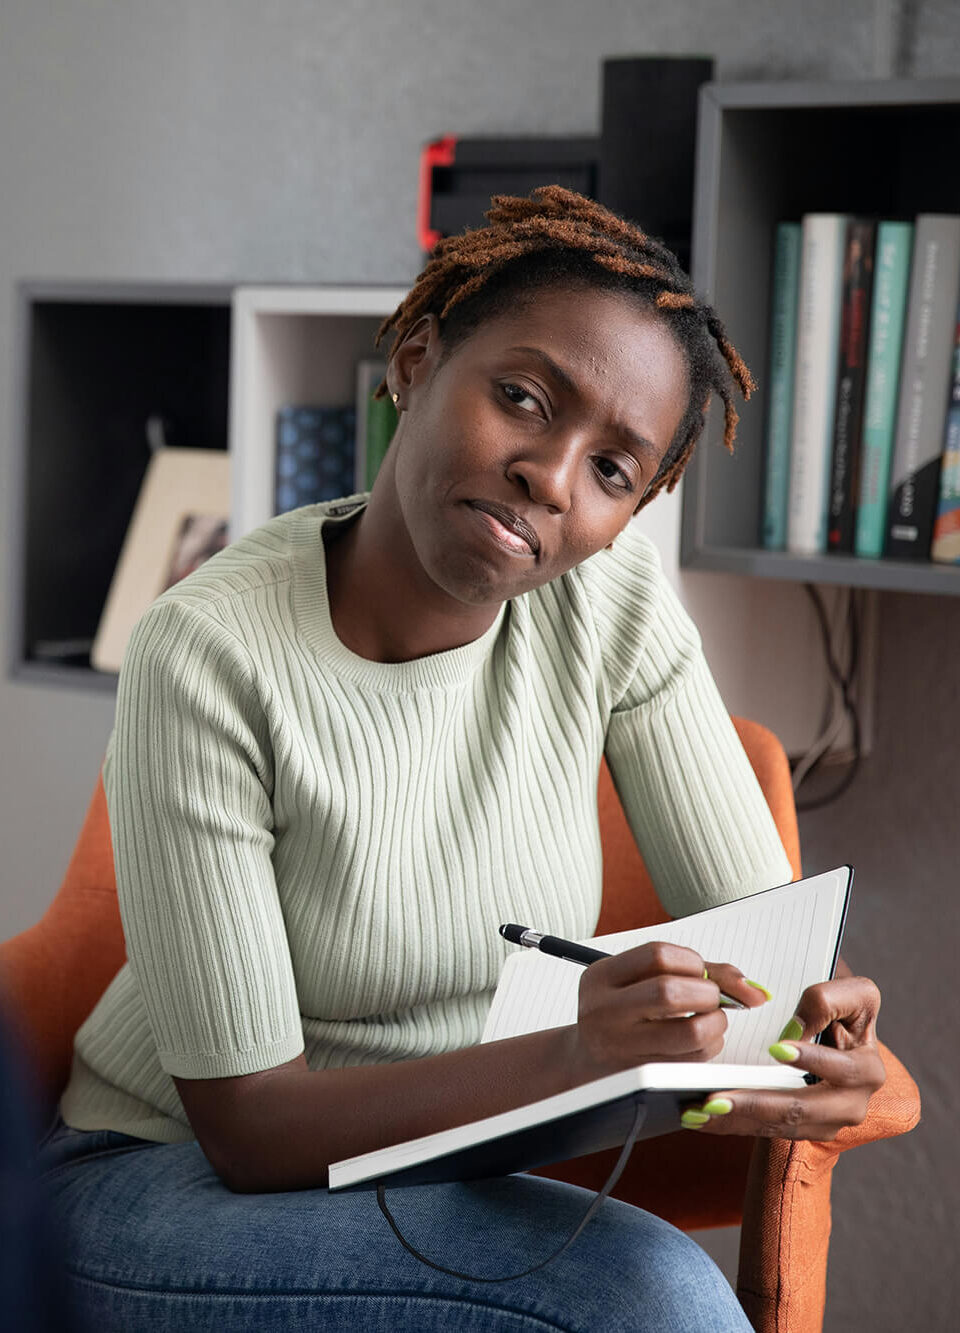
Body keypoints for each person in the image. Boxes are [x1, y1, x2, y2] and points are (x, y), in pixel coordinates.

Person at [36, 185, 884, 1331]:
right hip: (159, 1180)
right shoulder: (208, 650)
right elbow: (249, 1129)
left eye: (613, 472)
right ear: (418, 358)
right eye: (525, 398)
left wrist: (818, 1045)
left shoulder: (611, 599)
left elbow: (765, 961)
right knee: (646, 1300)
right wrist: (577, 1049)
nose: (553, 474)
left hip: (439, 1170)